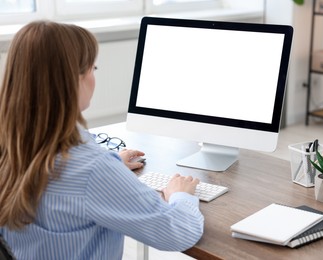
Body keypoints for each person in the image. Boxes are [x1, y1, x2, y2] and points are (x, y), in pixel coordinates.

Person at [0, 20, 204, 259]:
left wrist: (112, 167)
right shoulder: (91, 170)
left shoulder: (10, 148)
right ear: (72, 79)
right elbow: (176, 232)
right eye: (93, 69)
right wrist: (181, 194)